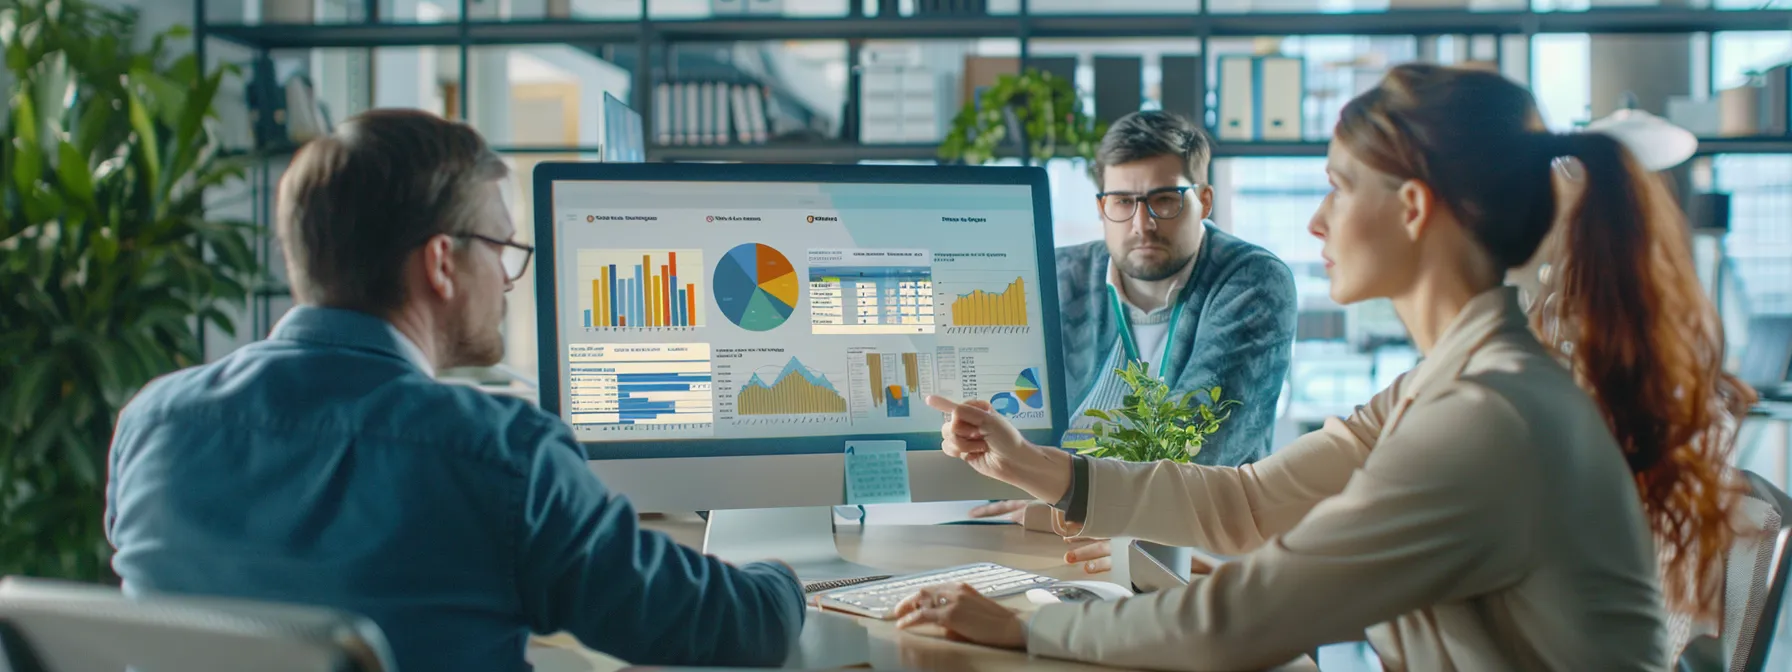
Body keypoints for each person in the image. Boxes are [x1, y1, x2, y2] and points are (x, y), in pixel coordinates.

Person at [896, 63, 1753, 670]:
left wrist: (1029, 631)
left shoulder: (1491, 418)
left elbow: (1245, 621)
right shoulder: (1442, 384)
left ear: (1413, 209)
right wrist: (1038, 466)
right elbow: (1250, 504)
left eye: (1339, 187)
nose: (1314, 221)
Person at [104, 110, 806, 672]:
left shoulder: (152, 426)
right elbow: (730, 630)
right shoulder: (498, 456)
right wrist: (787, 579)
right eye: (500, 248)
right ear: (442, 262)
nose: (507, 278)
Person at [968, 111, 1298, 573]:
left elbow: (1197, 452)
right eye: (1122, 201)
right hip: (1050, 532)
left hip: (1196, 552)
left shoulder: (1253, 283)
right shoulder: (1059, 277)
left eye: (1164, 200)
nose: (1141, 223)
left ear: (1204, 200)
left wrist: (1055, 501)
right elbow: (1013, 419)